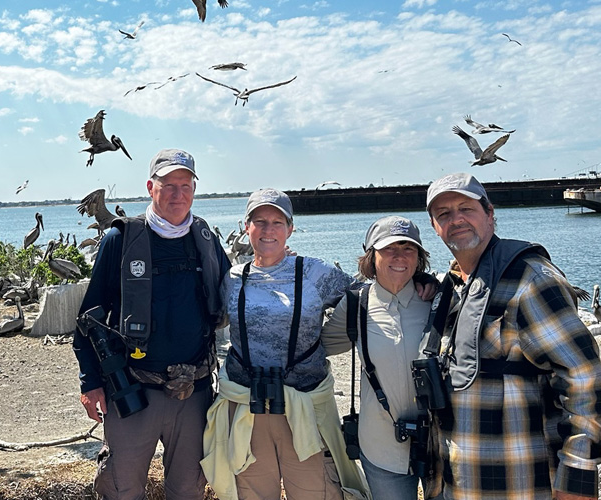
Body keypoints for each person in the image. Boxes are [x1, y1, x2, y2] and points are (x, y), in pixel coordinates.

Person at [424, 172, 601, 500]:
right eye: (444, 214)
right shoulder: (450, 288)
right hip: (457, 485)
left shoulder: (530, 279)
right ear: (435, 226)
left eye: (466, 208)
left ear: (490, 213)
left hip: (521, 484)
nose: (456, 219)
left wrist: (577, 474)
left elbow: (585, 378)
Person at [73, 148, 231, 500]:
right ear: (150, 187)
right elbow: (88, 318)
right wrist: (90, 382)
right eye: (168, 185)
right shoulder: (121, 240)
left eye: (185, 185)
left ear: (194, 189)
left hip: (194, 393)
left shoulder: (205, 241)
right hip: (132, 390)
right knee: (121, 489)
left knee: (188, 490)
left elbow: (236, 295)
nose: (178, 194)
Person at [201, 188, 371, 500]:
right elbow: (208, 318)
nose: (268, 230)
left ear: (290, 228)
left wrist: (421, 284)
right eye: (260, 221)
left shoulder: (316, 272)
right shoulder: (232, 278)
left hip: (306, 411)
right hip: (247, 410)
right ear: (246, 227)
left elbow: (367, 295)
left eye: (277, 222)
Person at [321, 216, 433, 500]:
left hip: (440, 443)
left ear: (419, 257)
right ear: (371, 256)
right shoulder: (355, 305)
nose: (399, 256)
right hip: (380, 446)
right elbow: (317, 348)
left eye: (408, 248)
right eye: (389, 248)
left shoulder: (438, 300)